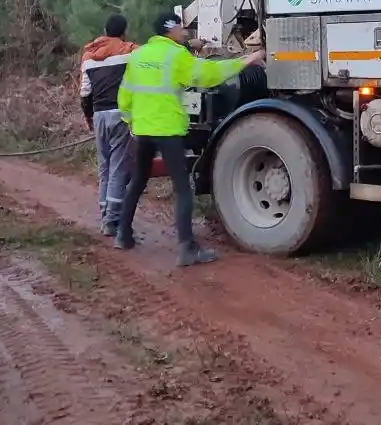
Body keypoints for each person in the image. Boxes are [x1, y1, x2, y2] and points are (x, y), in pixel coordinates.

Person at [115, 13, 266, 267]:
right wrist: (248, 59)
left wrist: (130, 122)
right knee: (183, 189)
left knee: (138, 180)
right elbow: (209, 73)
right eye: (181, 27)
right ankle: (187, 249)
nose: (185, 31)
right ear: (170, 29)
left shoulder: (138, 56)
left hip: (143, 130)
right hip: (168, 131)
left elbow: (125, 95)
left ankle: (123, 234)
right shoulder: (176, 56)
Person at [79, 13, 139, 237]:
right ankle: (112, 221)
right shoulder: (129, 51)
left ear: (105, 31)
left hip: (98, 116)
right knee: (118, 168)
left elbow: (85, 93)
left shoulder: (88, 55)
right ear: (124, 32)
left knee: (104, 167)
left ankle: (105, 213)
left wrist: (89, 118)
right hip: (120, 115)